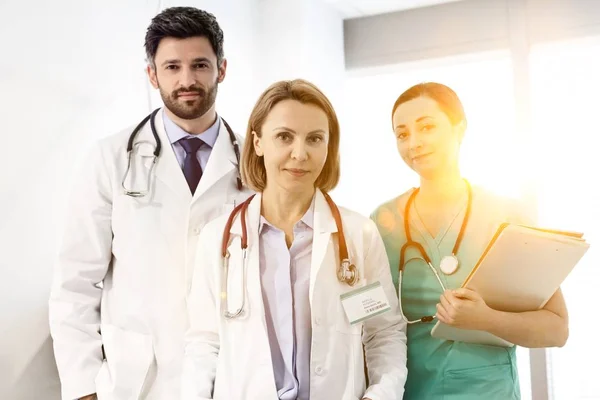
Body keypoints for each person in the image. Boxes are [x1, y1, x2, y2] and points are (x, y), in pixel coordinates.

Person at [49, 7, 252, 400]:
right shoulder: (110, 159)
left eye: (200, 65)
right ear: (152, 75)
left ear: (221, 69)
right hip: (137, 380)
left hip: (229, 376)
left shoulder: (255, 164)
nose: (187, 80)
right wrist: (83, 387)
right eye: (172, 67)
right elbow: (75, 284)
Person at [181, 79, 408, 400]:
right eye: (284, 137)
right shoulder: (219, 238)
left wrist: (379, 396)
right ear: (258, 142)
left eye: (315, 139)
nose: (299, 154)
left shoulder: (357, 236)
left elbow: (383, 334)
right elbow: (204, 342)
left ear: (329, 147)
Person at [370, 82, 569, 399]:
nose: (415, 143)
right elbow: (368, 320)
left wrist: (486, 319)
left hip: (490, 391)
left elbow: (556, 329)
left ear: (459, 129)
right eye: (402, 134)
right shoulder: (382, 222)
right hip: (414, 391)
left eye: (427, 127)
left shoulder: (508, 213)